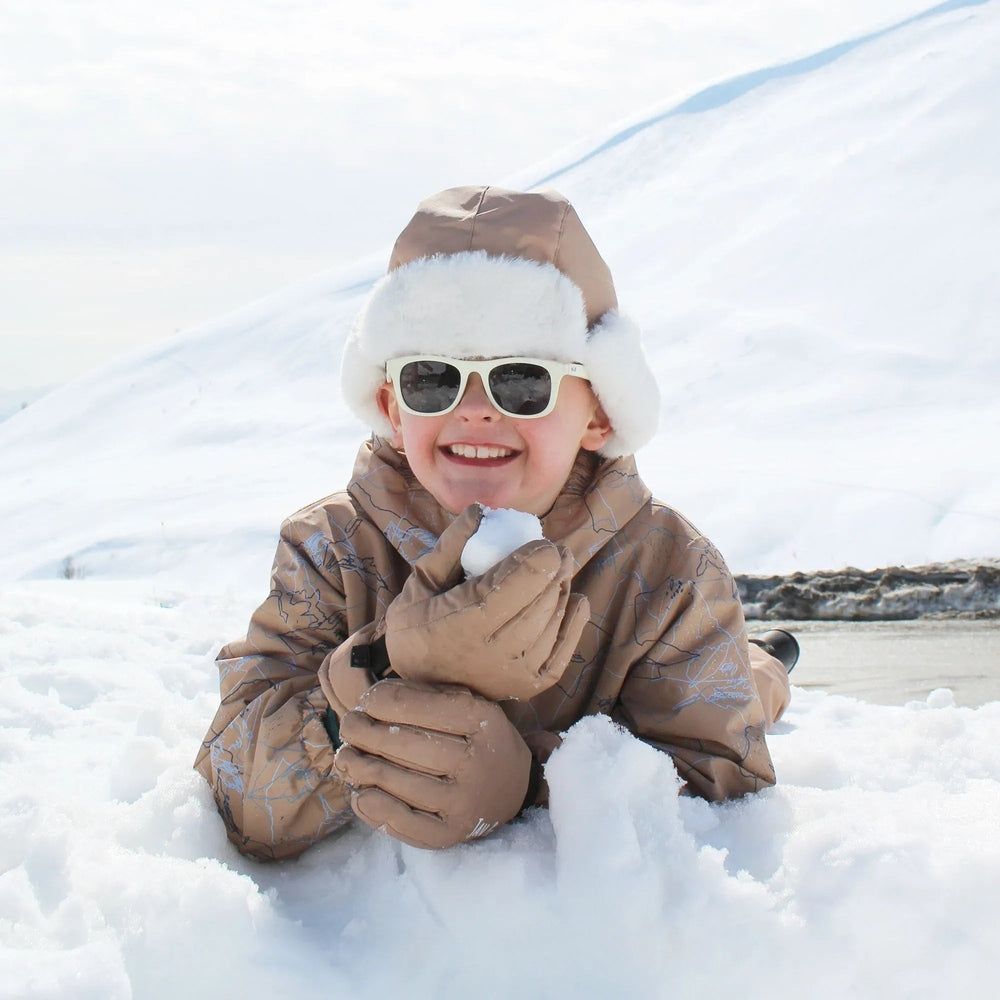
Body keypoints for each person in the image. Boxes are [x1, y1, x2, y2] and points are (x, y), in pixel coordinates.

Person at [194, 185, 792, 861]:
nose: (474, 410)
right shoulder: (330, 548)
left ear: (599, 412)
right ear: (393, 409)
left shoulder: (670, 571)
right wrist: (386, 667)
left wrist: (528, 784)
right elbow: (240, 791)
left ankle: (764, 666)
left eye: (522, 381)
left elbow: (721, 793)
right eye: (431, 379)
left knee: (749, 687)